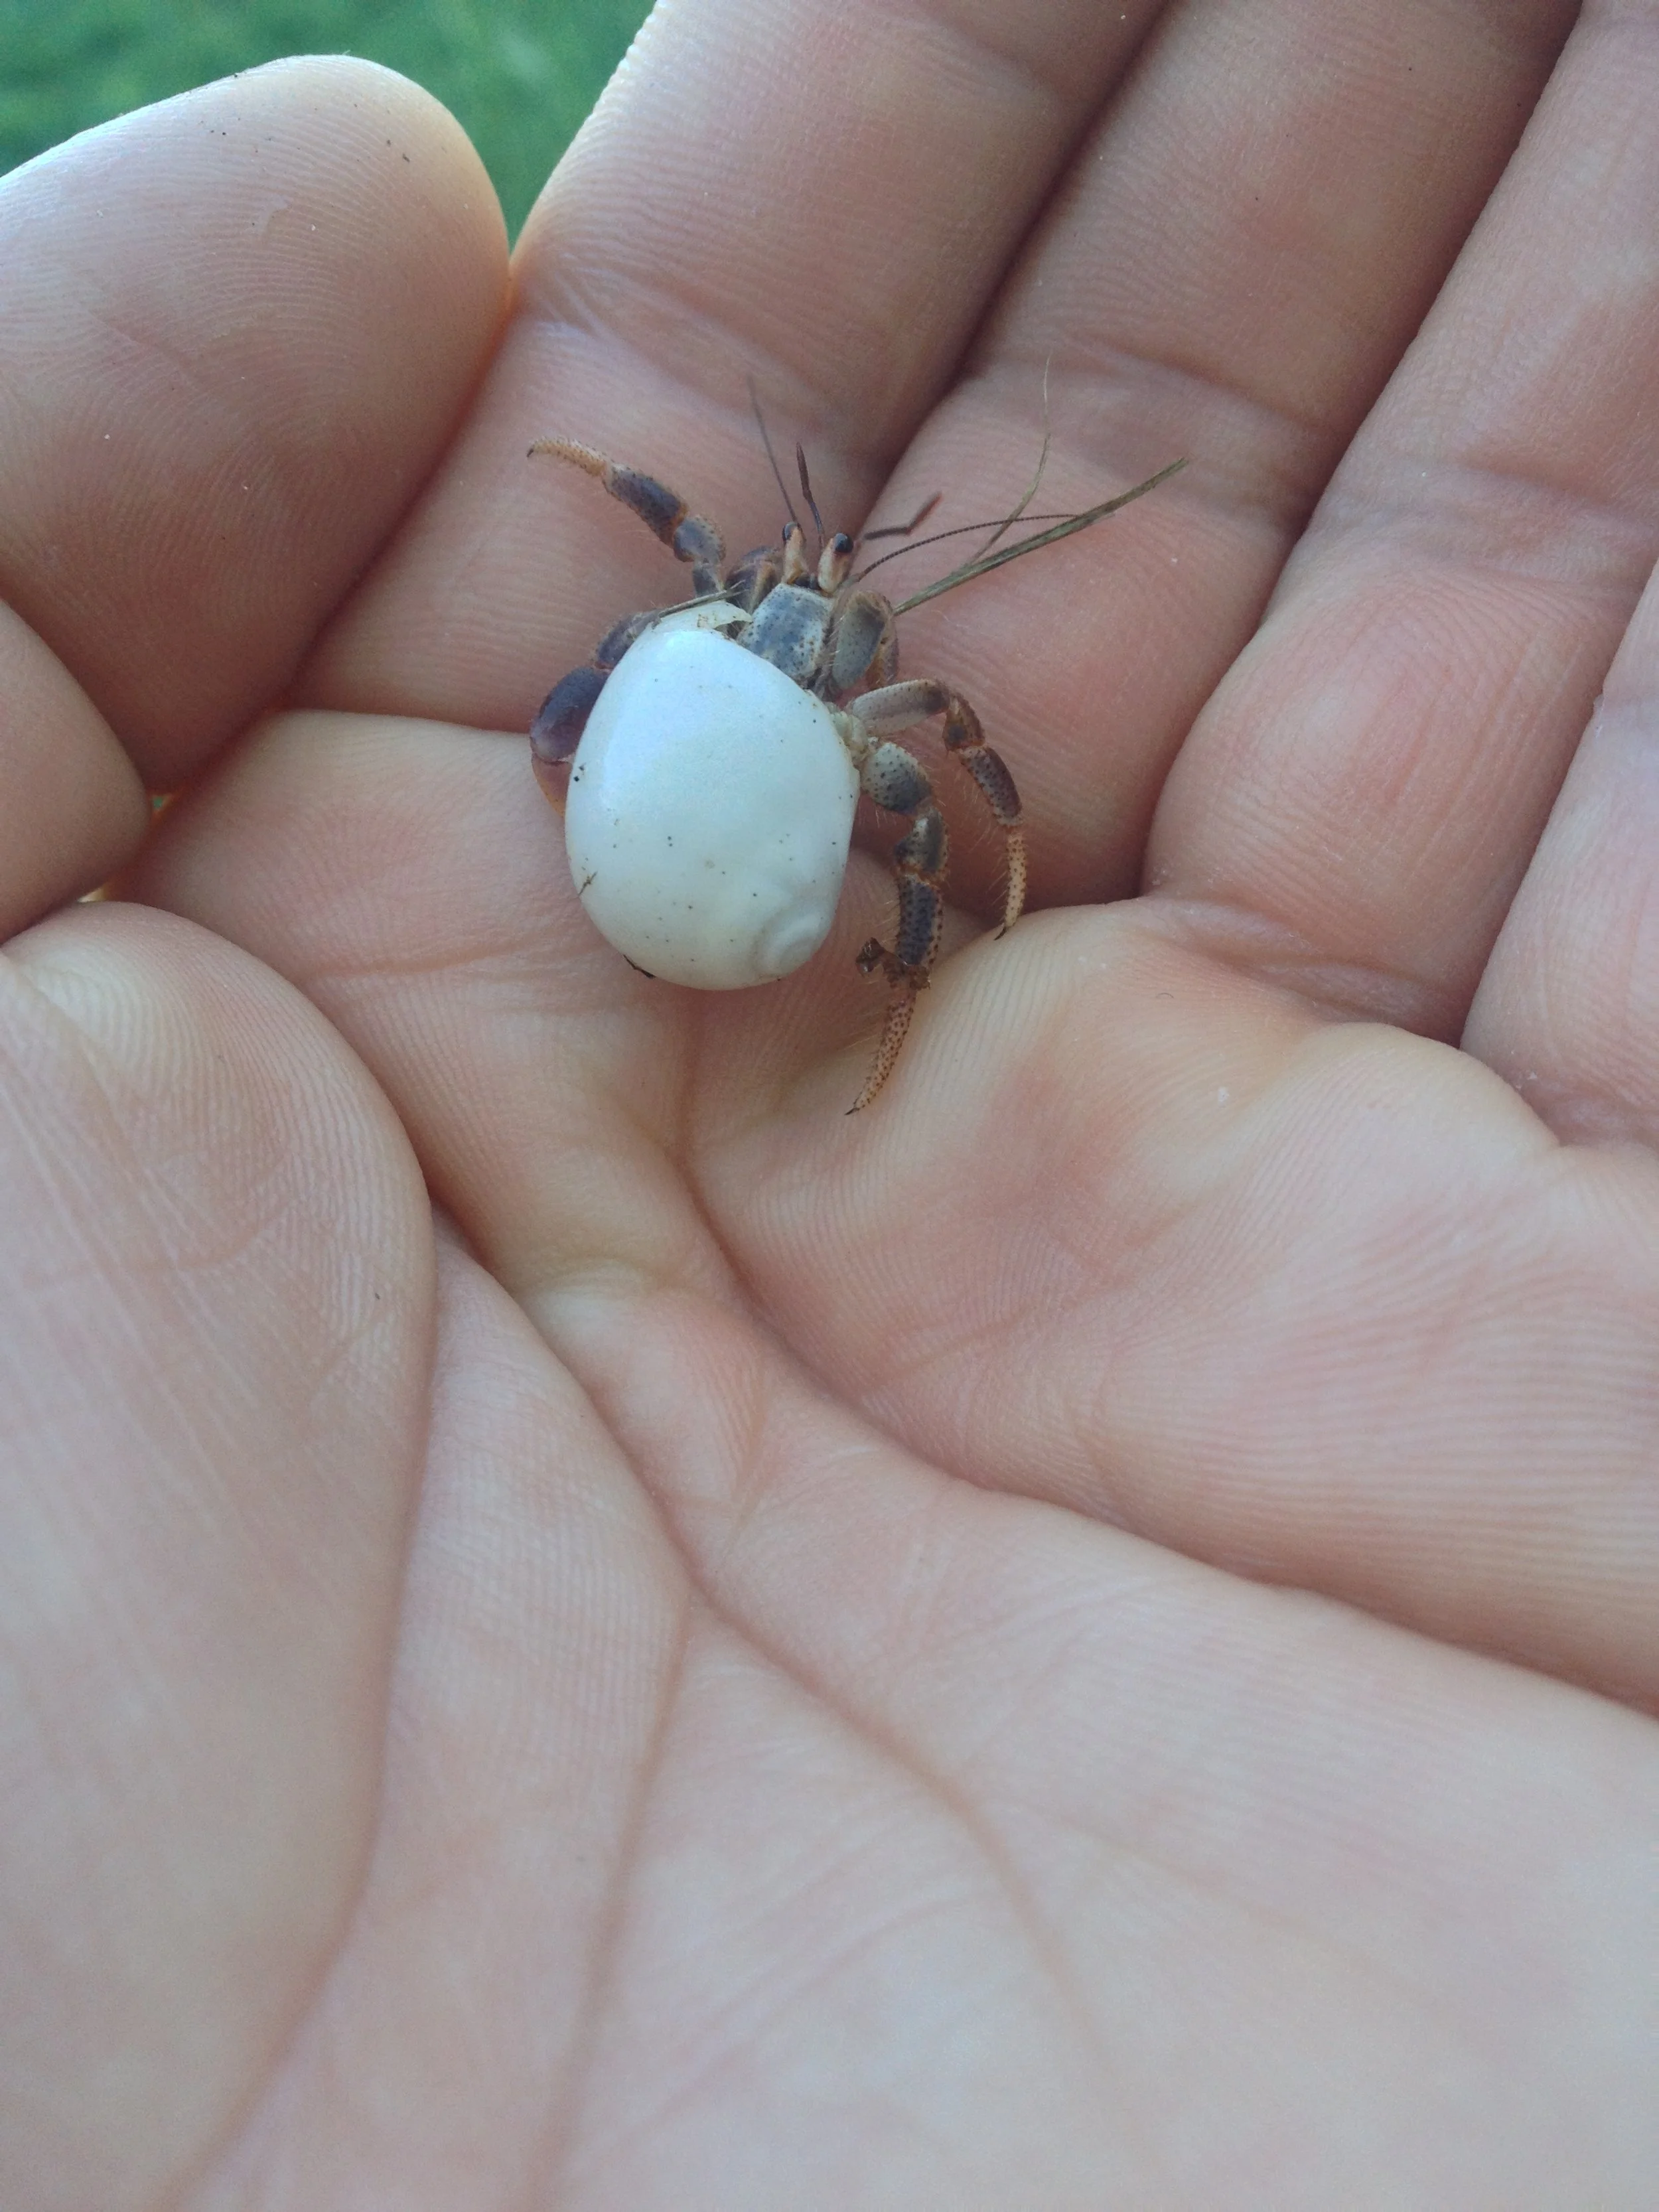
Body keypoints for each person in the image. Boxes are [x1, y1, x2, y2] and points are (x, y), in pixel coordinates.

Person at [2, 7, 1655, 2202]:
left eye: (806, 605)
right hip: (690, 851)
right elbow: (667, 616)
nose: (790, 601)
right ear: (770, 609)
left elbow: (933, 765)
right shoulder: (738, 633)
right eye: (776, 592)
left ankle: (891, 1000)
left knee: (894, 820)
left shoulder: (854, 700)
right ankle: (880, 999)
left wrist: (912, 866)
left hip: (718, 862)